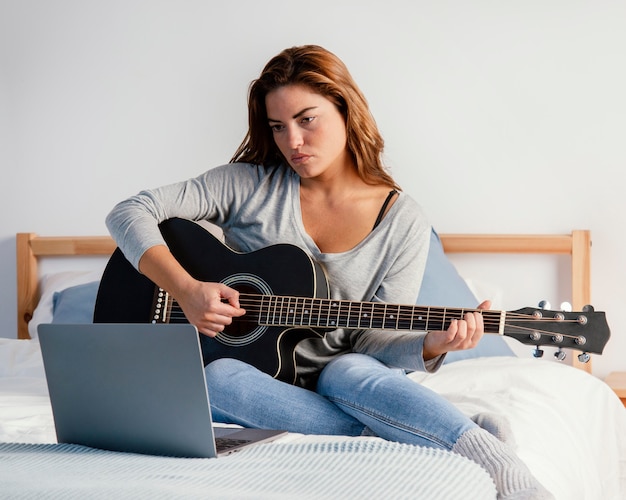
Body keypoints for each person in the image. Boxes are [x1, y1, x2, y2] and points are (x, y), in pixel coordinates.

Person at [106, 45, 552, 499]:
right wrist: (184, 289)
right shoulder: (247, 185)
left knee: (348, 370)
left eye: (307, 119)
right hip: (255, 376)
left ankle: (496, 461)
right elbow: (130, 211)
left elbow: (374, 340)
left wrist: (430, 344)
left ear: (345, 109)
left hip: (349, 375)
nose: (292, 142)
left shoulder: (403, 221)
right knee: (215, 378)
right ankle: (433, 430)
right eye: (278, 127)